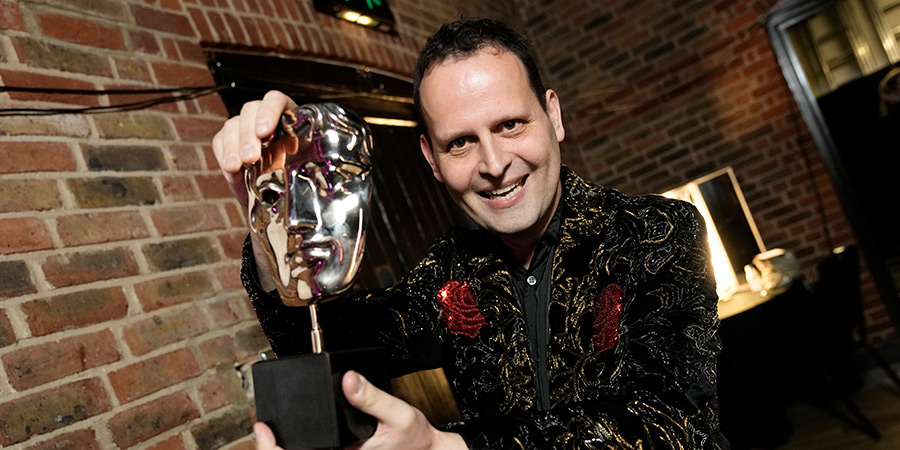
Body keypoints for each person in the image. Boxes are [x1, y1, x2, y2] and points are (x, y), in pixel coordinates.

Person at [212, 17, 726, 449]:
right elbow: (320, 338)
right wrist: (269, 222)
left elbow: (673, 422)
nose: (495, 163)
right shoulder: (451, 273)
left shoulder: (656, 232)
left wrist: (452, 446)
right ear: (431, 160)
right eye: (460, 143)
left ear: (553, 115)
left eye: (510, 125)